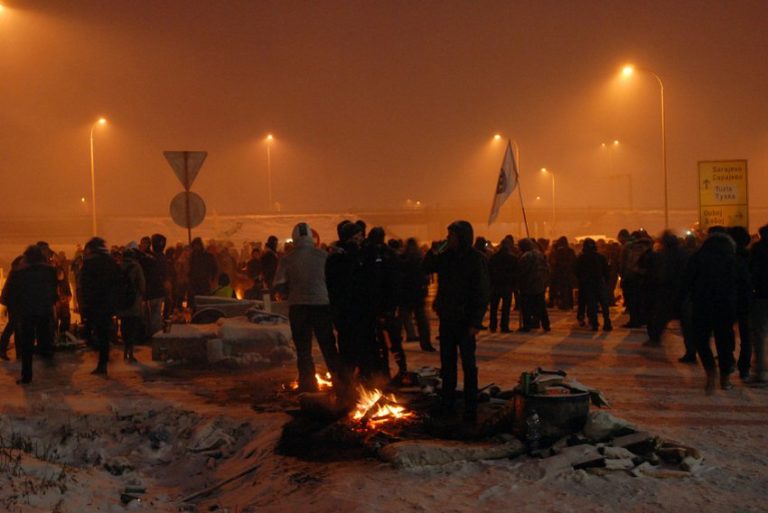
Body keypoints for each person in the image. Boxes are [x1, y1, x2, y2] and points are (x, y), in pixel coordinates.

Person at [423, 220, 489, 422]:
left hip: (465, 321)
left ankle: (470, 408)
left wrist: (476, 322)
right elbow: (427, 267)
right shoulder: (446, 257)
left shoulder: (475, 259)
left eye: (451, 235)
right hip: (448, 319)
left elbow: (481, 292)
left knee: (469, 366)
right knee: (448, 365)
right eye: (447, 234)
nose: (448, 238)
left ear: (462, 237)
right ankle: (448, 404)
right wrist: (435, 250)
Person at [274, 222, 344, 394]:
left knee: (303, 350)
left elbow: (278, 285)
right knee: (328, 346)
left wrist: (288, 292)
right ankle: (341, 384)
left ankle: (308, 386)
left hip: (298, 307)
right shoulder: (323, 256)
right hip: (322, 305)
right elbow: (334, 281)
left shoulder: (288, 259)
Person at [684, 232, 750, 394]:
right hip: (726, 308)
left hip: (702, 306)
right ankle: (725, 379)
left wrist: (681, 304)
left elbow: (686, 282)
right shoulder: (734, 261)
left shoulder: (697, 259)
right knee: (725, 344)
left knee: (702, 341)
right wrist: (742, 310)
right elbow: (745, 288)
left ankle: (710, 372)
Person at [0, 245, 58, 384]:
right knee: (45, 339)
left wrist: (12, 306)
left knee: (27, 343)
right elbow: (52, 290)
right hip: (44, 310)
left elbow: (13, 291)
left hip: (26, 312)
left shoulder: (19, 271)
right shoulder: (49, 270)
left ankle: (27, 375)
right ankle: (49, 369)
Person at [79, 237, 122, 376]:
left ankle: (103, 361)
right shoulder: (111, 262)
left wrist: (84, 303)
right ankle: (104, 358)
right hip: (108, 304)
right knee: (103, 332)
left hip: (95, 304)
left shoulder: (89, 264)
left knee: (95, 332)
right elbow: (119, 281)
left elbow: (84, 285)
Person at [398, 237, 434, 351]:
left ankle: (405, 337)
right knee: (422, 320)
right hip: (418, 292)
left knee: (404, 317)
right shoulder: (420, 258)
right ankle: (425, 343)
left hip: (405, 293)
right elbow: (425, 274)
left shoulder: (402, 258)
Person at [574, 238, 613, 331]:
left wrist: (581, 280)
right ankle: (607, 322)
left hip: (587, 283)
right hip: (599, 281)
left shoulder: (581, 258)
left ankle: (594, 323)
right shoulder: (601, 257)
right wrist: (606, 282)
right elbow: (606, 271)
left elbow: (576, 271)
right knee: (604, 303)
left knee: (592, 303)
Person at [118, 243, 146, 363]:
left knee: (124, 325)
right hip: (133, 301)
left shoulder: (119, 267)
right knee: (133, 326)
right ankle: (130, 350)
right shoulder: (136, 267)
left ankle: (125, 349)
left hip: (122, 302)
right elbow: (142, 284)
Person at [517, 238, 551, 332]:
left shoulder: (525, 257)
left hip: (528, 285)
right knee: (541, 306)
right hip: (540, 283)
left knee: (526, 306)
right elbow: (547, 267)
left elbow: (522, 271)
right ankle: (546, 324)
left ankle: (527, 325)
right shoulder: (540, 254)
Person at [749, 224, 768, 382]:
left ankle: (760, 372)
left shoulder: (758, 249)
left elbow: (752, 272)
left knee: (760, 334)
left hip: (761, 295)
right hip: (761, 294)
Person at [487, 236, 518, 333]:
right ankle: (504, 326)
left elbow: (489, 271)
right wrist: (515, 284)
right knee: (505, 308)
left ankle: (493, 325)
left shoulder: (493, 258)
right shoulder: (512, 258)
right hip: (507, 286)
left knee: (494, 308)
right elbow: (515, 273)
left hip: (495, 285)